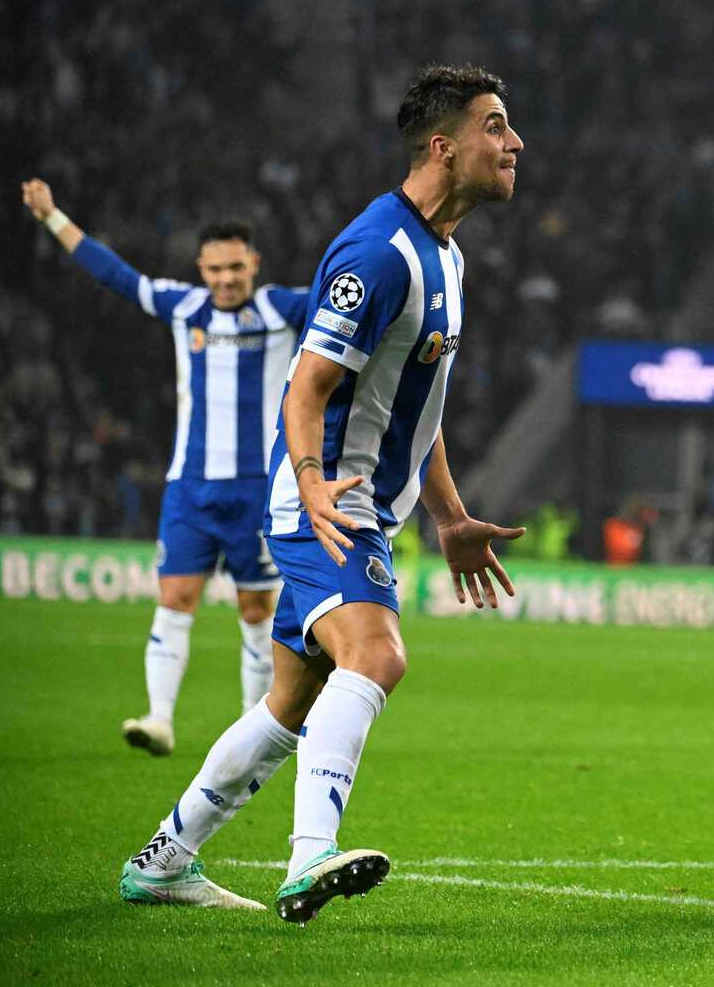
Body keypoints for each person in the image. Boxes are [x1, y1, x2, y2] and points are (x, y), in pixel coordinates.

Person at [116, 64, 526, 921]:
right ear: (443, 148)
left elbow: (414, 405)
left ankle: (165, 858)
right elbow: (306, 391)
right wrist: (309, 488)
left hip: (356, 503)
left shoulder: (446, 255)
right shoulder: (378, 253)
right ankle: (310, 858)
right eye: (495, 127)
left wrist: (450, 516)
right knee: (376, 655)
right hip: (328, 504)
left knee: (290, 697)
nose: (514, 142)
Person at [21, 182, 307, 755]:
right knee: (175, 596)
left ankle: (255, 727)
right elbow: (115, 275)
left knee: (257, 608)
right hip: (191, 488)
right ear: (200, 269)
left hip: (260, 490)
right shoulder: (185, 308)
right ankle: (159, 719)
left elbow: (348, 294)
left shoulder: (282, 309)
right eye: (215, 269)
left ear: (254, 264)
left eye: (236, 268)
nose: (226, 280)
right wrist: (53, 217)